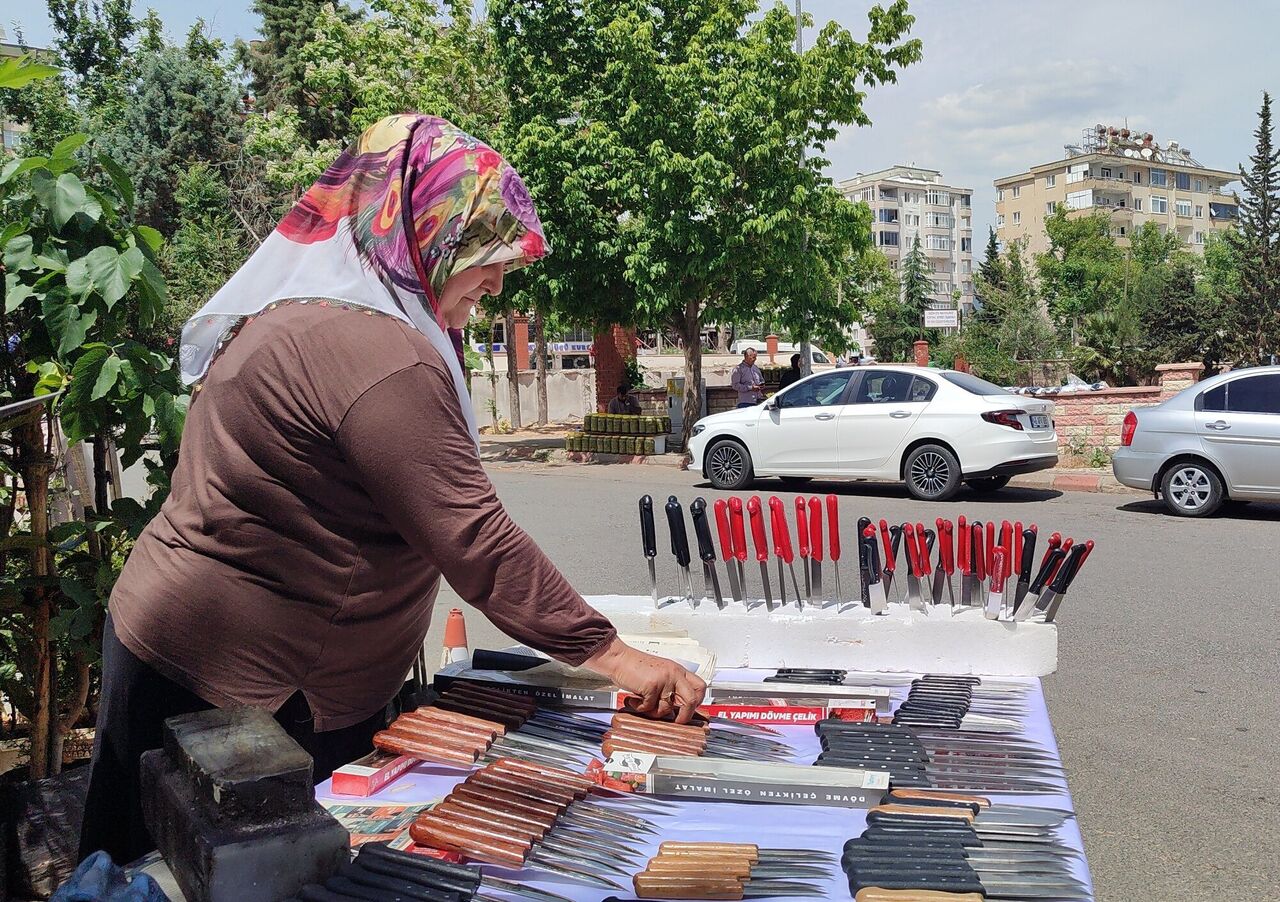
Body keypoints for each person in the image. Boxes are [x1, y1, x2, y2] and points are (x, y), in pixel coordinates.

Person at [78, 115, 705, 865]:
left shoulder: (310, 313)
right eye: (485, 253)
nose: (499, 280)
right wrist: (614, 656)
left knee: (134, 867)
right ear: (424, 231)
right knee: (200, 874)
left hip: (176, 645)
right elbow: (474, 538)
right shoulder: (379, 352)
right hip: (242, 681)